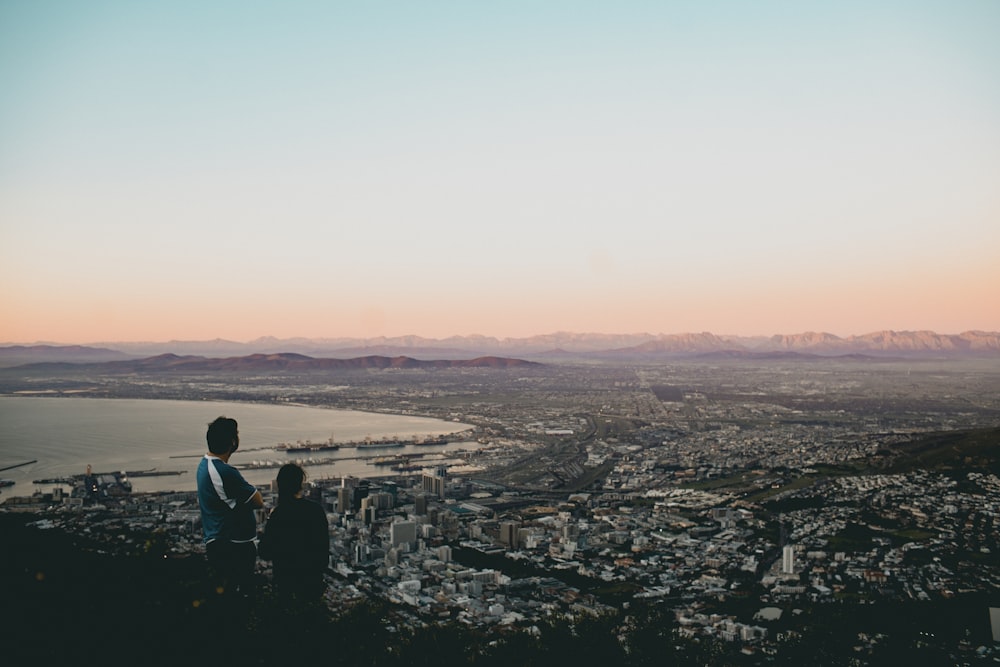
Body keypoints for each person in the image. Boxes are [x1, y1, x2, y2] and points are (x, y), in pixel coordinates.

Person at [196, 416, 263, 599]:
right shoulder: (225, 472)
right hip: (233, 546)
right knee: (239, 599)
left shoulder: (204, 465)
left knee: (226, 596)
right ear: (233, 441)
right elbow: (258, 501)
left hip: (219, 541)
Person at [259, 463, 330, 603]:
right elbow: (323, 552)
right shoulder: (316, 511)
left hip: (285, 584)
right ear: (301, 484)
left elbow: (264, 552)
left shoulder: (278, 515)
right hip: (311, 583)